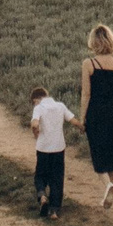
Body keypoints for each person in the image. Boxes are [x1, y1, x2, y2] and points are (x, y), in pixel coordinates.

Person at [77, 23, 113, 206]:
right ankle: (109, 189)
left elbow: (86, 94)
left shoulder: (88, 64)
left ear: (93, 42)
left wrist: (82, 118)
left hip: (96, 112)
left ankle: (107, 185)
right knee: (112, 152)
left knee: (97, 152)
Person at [29, 86, 71, 218]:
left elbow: (35, 124)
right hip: (58, 148)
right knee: (57, 178)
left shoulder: (39, 107)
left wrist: (35, 132)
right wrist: (82, 127)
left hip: (43, 148)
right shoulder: (60, 105)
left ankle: (42, 195)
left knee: (40, 175)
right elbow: (73, 120)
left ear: (37, 99)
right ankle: (54, 210)